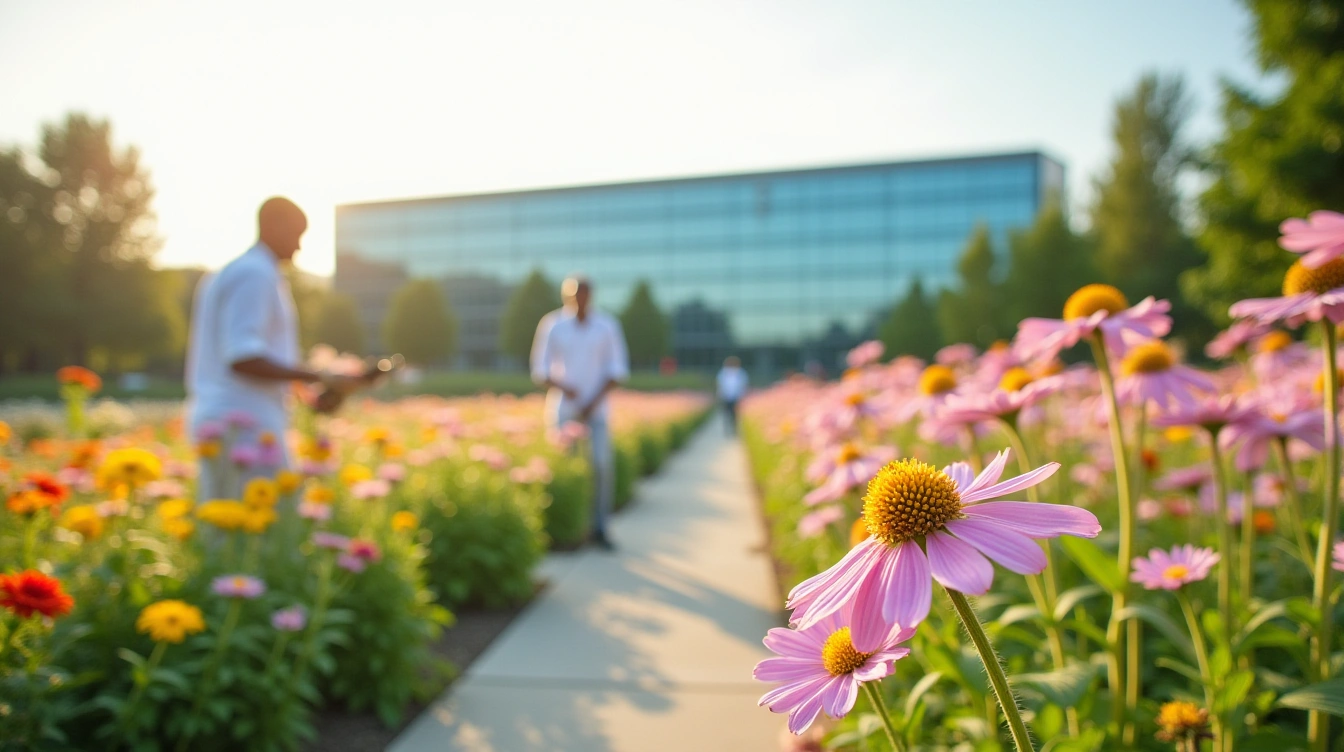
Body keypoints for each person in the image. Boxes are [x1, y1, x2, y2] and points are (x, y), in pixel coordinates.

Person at [185, 197, 370, 499]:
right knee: (265, 517)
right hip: (242, 422)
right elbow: (243, 357)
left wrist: (309, 395)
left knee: (226, 518)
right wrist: (321, 375)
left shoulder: (240, 271)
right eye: (296, 234)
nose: (299, 246)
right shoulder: (255, 274)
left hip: (232, 417)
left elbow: (257, 356)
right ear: (273, 226)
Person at [530, 276, 630, 551]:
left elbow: (617, 369)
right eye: (575, 295)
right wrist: (566, 389)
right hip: (564, 408)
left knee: (601, 466)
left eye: (584, 294)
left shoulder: (607, 325)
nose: (580, 300)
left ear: (591, 296)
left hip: (597, 410)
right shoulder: (553, 324)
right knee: (566, 470)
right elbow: (540, 370)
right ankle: (568, 529)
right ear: (567, 296)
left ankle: (600, 528)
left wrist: (591, 401)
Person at [716, 356, 749, 435]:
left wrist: (742, 395)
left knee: (735, 415)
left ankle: (734, 429)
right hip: (726, 396)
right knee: (726, 414)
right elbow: (720, 385)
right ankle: (727, 430)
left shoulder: (741, 373)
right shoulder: (723, 373)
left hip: (736, 397)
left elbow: (744, 385)